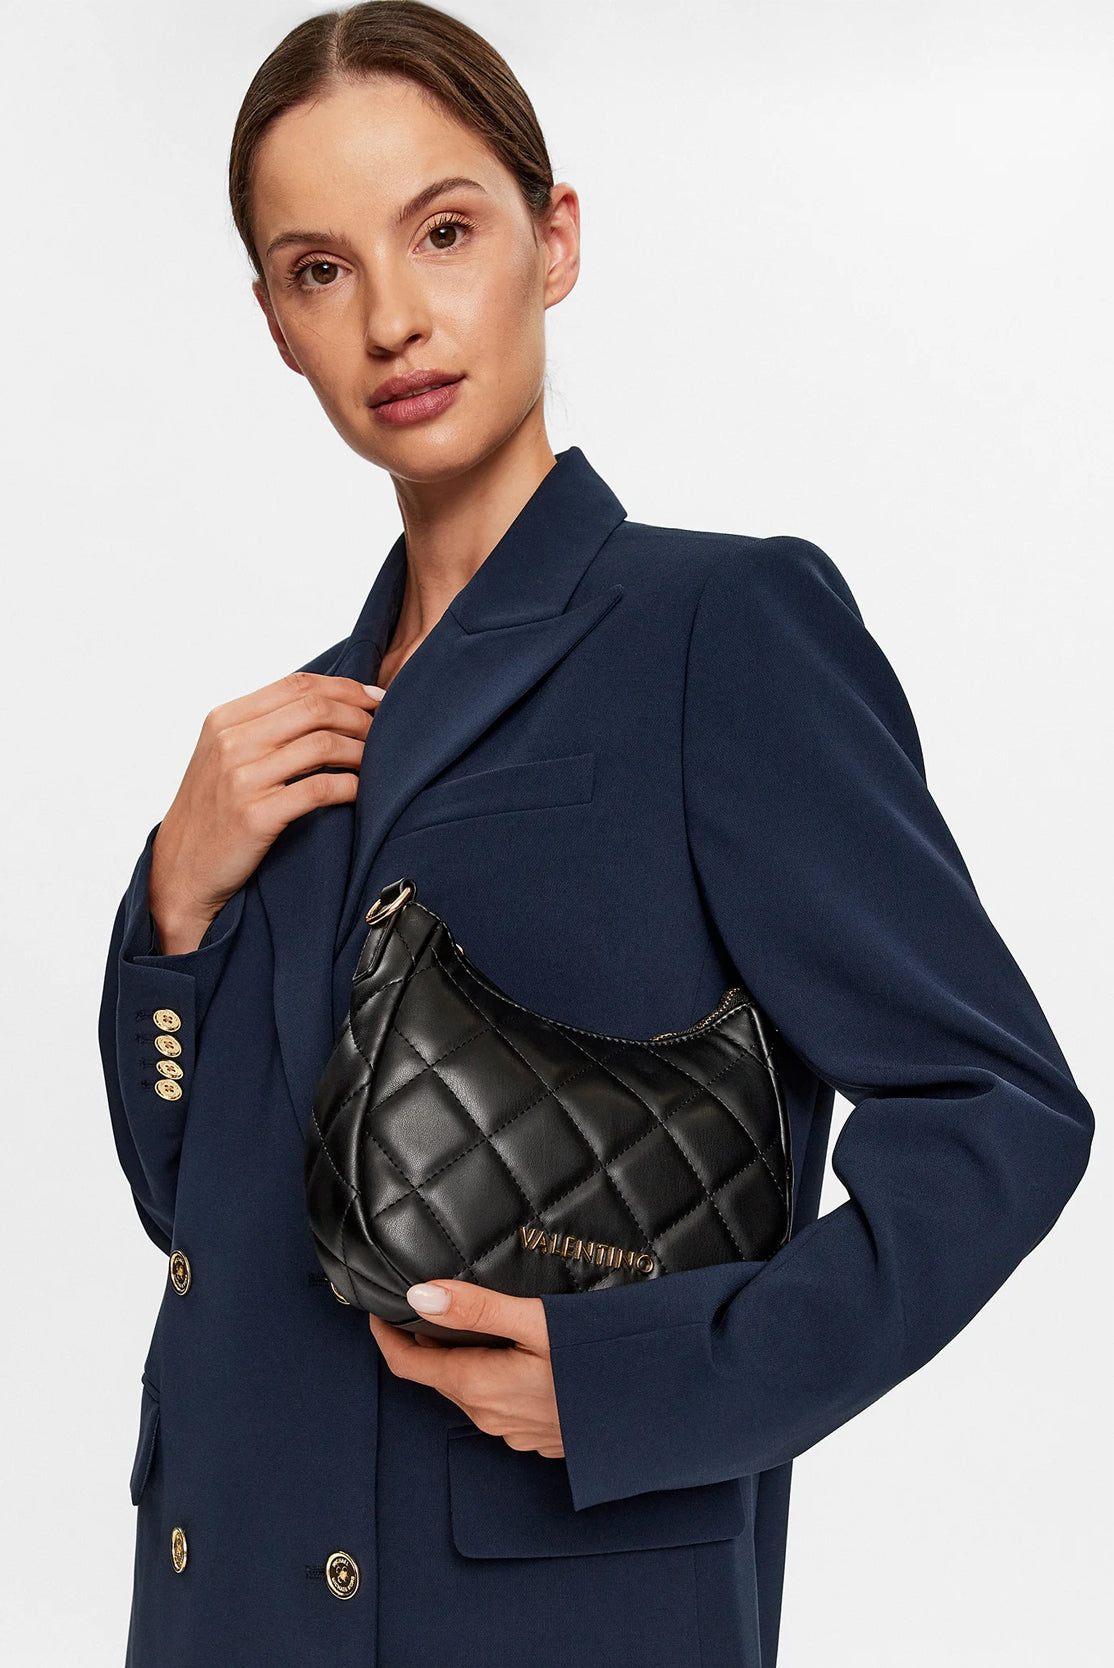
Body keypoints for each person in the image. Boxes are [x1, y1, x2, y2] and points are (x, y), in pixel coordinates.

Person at [97, 4, 1094, 1665]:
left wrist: (651, 1380)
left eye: (442, 231)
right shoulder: (290, 737)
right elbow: (200, 1206)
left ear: (551, 239)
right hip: (225, 1598)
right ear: (275, 321)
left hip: (541, 1604)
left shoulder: (717, 627)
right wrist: (174, 915)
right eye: (321, 269)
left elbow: (996, 1117)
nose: (394, 318)